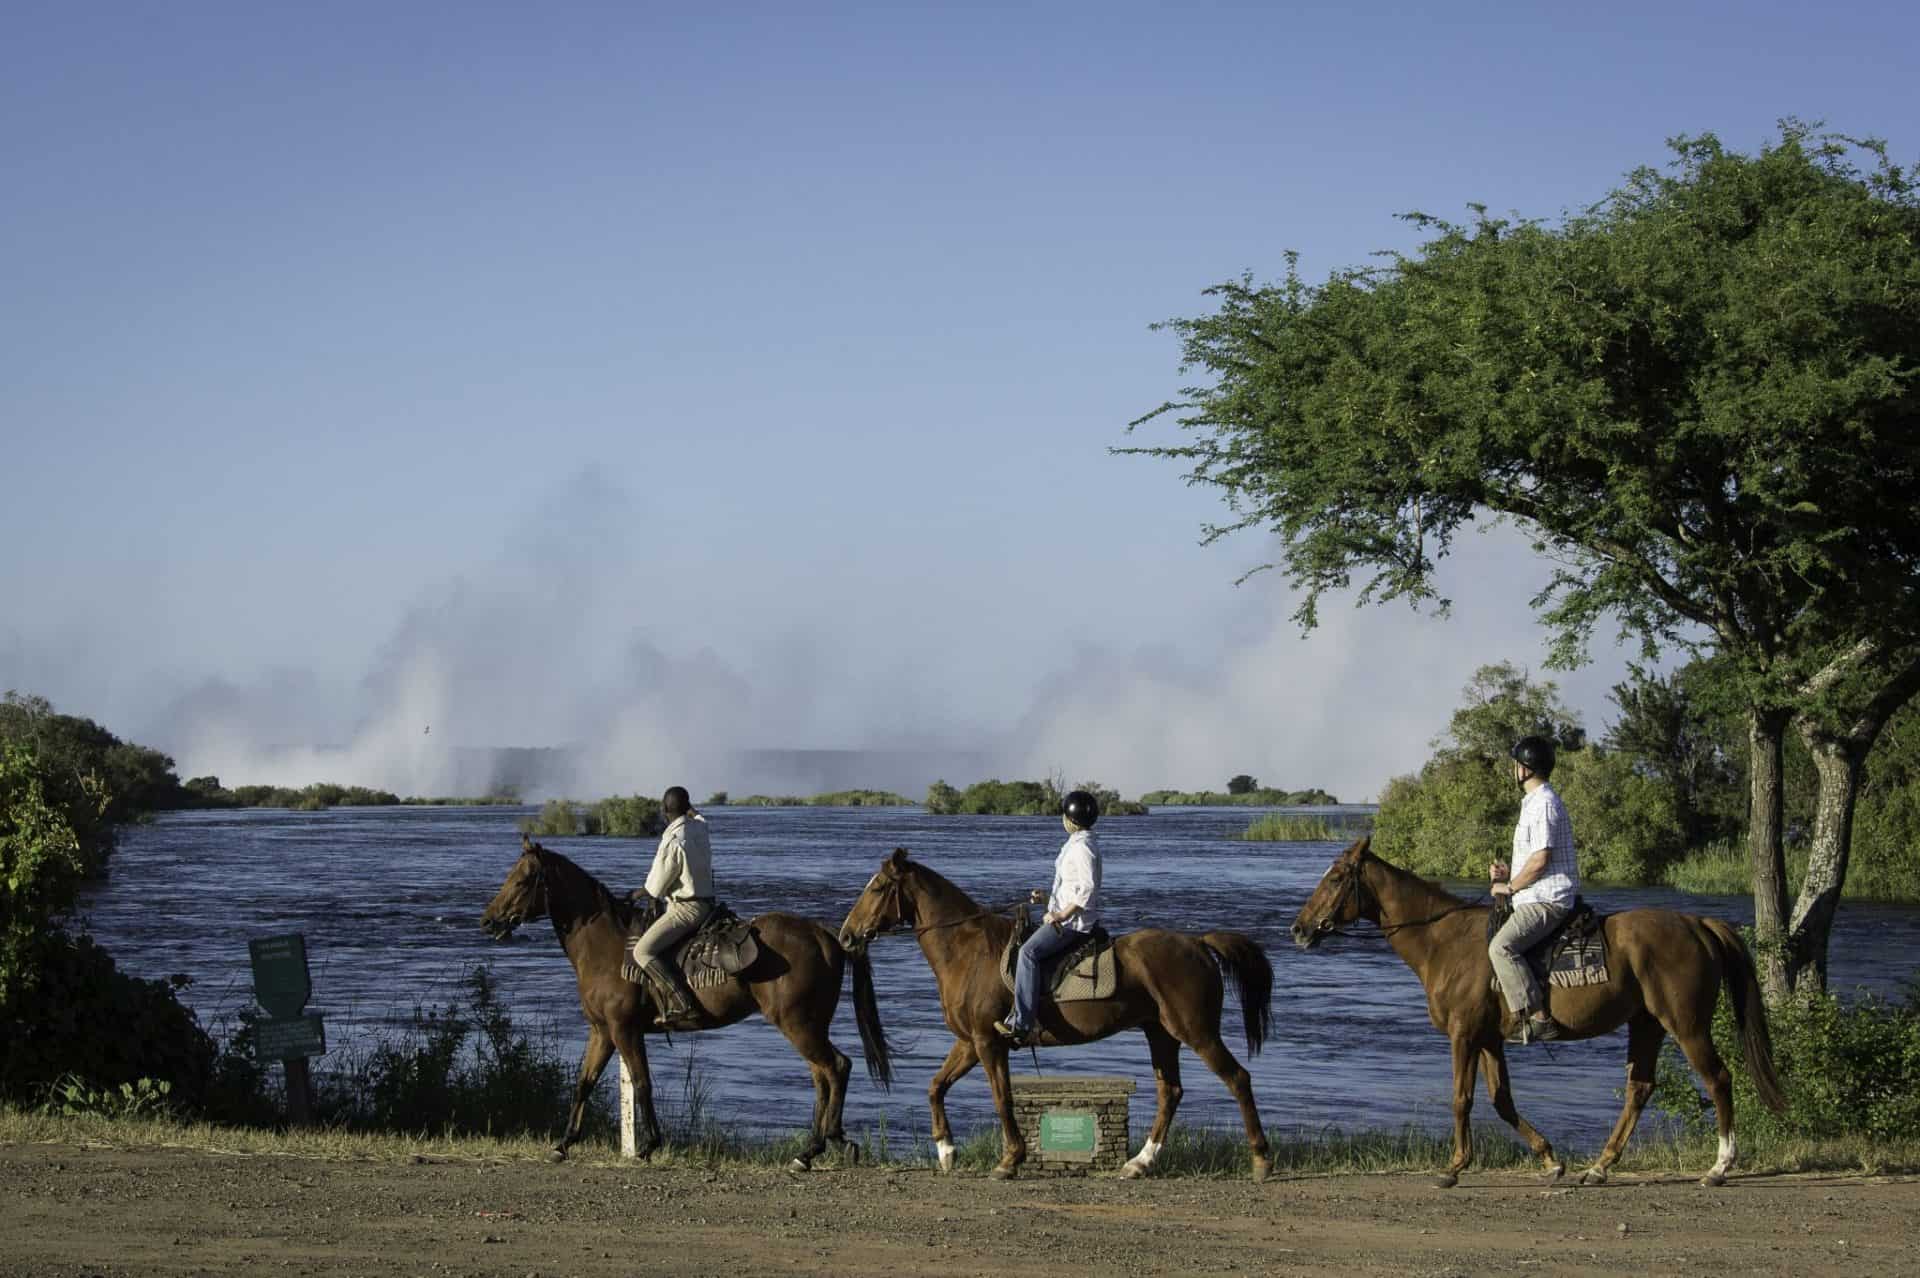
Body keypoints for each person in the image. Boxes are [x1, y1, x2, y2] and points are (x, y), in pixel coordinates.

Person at [1488, 736, 1579, 1044]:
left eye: (1516, 763)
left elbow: (1541, 861)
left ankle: (1538, 1017)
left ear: (1526, 768)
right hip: (1534, 894)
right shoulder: (1533, 803)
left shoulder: (1544, 803)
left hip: (1546, 901)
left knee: (1501, 948)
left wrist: (1510, 885)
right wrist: (1507, 874)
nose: (1513, 769)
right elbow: (1534, 859)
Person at [994, 789, 1103, 1046]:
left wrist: (1060, 914)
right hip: (1066, 916)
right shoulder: (1079, 843)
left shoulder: (1083, 847)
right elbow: (1071, 886)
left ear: (1070, 819)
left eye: (1064, 815)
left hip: (1072, 924)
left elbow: (1087, 888)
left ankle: (1022, 1023)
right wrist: (1045, 898)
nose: (1062, 819)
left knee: (1028, 953)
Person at [628, 785, 714, 1024]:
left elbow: (654, 888)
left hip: (686, 909)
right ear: (687, 808)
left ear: (664, 809)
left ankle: (681, 1003)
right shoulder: (700, 828)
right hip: (709, 905)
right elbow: (698, 817)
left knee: (641, 951)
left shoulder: (672, 840)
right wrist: (690, 810)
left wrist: (633, 895)